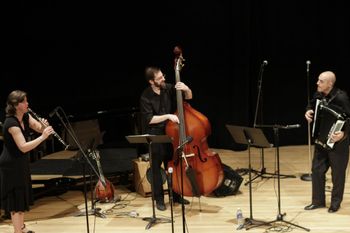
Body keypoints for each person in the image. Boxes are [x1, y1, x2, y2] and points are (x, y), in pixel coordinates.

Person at [0, 90, 54, 233]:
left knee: (22, 196)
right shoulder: (11, 123)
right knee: (16, 200)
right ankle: (18, 231)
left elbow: (38, 128)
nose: (27, 103)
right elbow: (23, 147)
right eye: (24, 101)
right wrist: (43, 137)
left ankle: (21, 228)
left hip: (20, 163)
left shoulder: (25, 116)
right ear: (16, 105)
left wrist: (44, 126)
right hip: (11, 165)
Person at [140, 66, 192, 211]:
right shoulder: (145, 96)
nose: (163, 79)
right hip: (155, 134)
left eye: (163, 76)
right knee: (156, 169)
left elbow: (188, 98)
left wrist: (186, 88)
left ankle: (176, 195)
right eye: (159, 78)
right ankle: (159, 200)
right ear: (151, 81)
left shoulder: (167, 88)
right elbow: (149, 119)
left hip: (171, 133)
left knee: (173, 166)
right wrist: (168, 116)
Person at [304, 71, 350, 213]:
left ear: (330, 83)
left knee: (337, 174)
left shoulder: (341, 98)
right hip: (320, 140)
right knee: (317, 171)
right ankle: (317, 201)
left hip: (338, 144)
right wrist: (308, 112)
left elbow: (349, 119)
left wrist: (343, 133)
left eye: (321, 81)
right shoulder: (318, 94)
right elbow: (310, 106)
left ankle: (335, 202)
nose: (317, 83)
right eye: (318, 80)